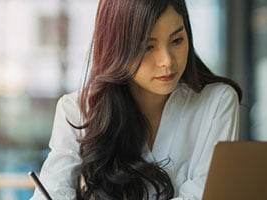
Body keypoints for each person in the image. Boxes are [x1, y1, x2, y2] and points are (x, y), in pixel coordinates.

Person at [31, 0, 242, 199]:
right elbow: (53, 189)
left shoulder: (217, 102)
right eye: (148, 47)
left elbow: (203, 195)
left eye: (177, 40)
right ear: (117, 47)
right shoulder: (77, 110)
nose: (167, 61)